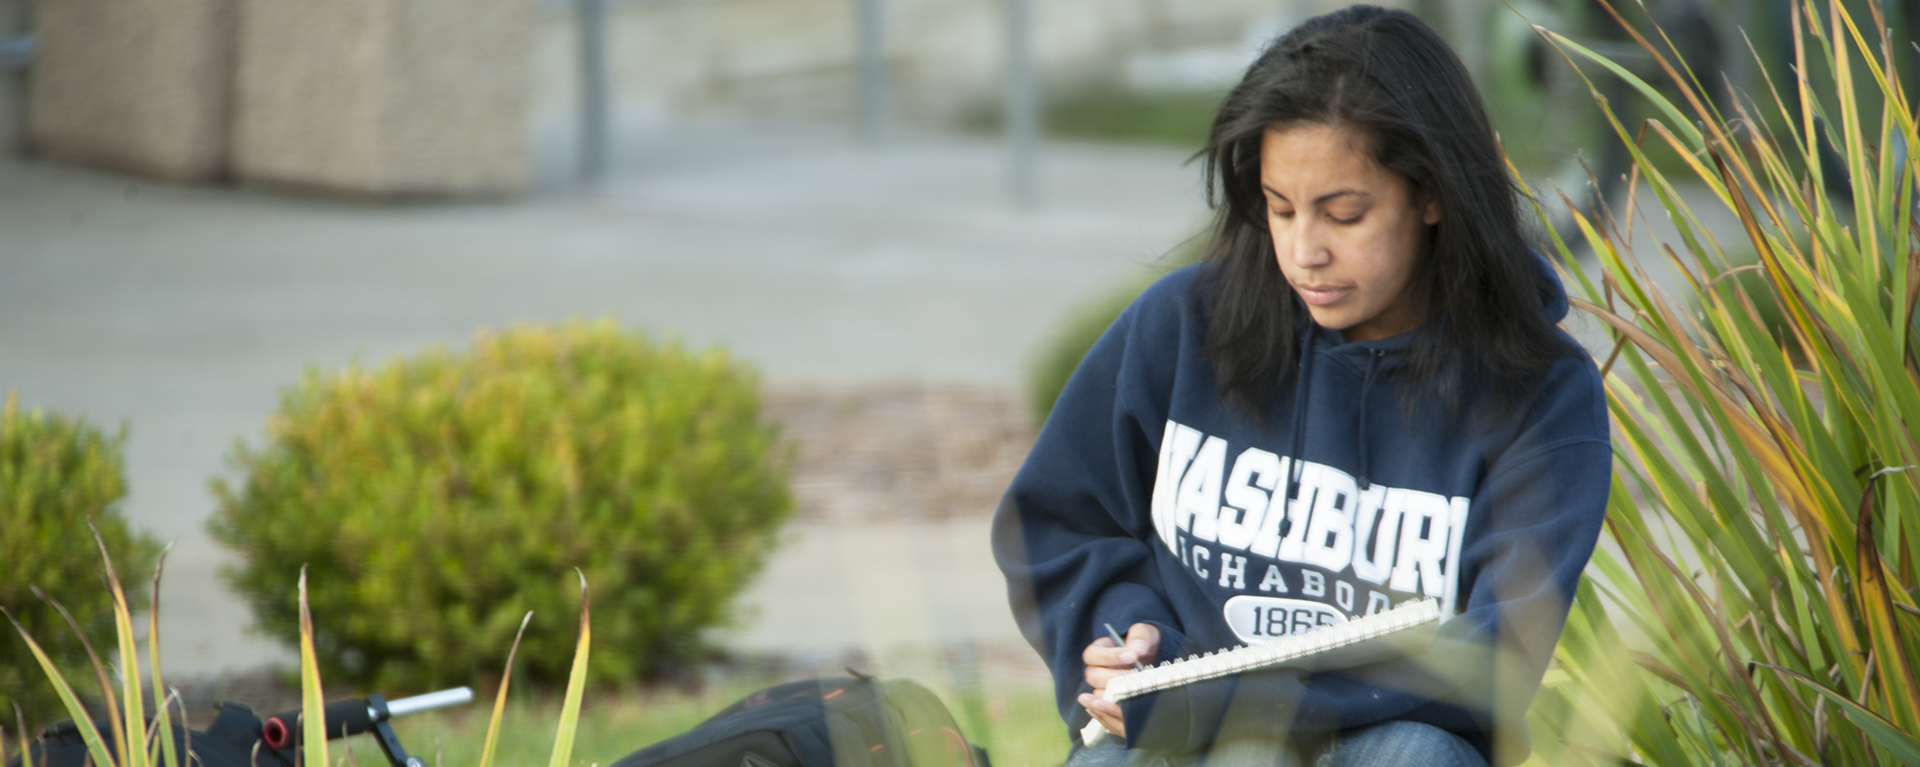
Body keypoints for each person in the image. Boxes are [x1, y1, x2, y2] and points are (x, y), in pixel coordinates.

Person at [989, 6, 1611, 767]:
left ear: (1433, 193)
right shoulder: (1182, 328)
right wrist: (1125, 637)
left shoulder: (1539, 393)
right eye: (1280, 209)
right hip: (1180, 726)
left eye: (1343, 213)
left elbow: (1497, 652)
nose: (1303, 250)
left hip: (1387, 735)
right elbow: (1058, 520)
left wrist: (1237, 702)